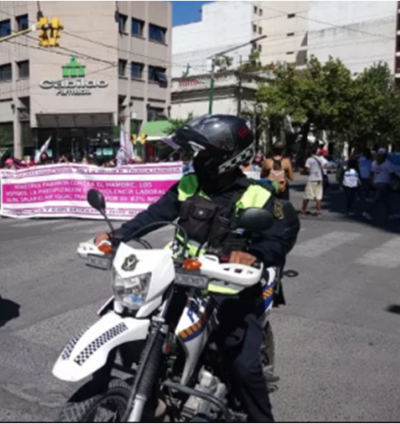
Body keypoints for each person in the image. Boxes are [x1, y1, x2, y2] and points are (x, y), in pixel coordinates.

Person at [93, 115, 289, 422]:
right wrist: (117, 236)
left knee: (243, 365)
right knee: (144, 327)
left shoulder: (259, 195)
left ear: (225, 157)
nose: (194, 159)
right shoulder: (188, 185)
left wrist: (252, 253)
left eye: (201, 153)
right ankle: (150, 394)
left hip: (231, 290)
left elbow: (278, 238)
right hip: (181, 280)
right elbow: (153, 215)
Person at [363, 148, 400, 221]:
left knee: (386, 200)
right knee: (377, 199)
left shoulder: (374, 163)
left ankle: (391, 214)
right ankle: (367, 212)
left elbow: (372, 173)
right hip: (384, 183)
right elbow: (392, 173)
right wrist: (396, 179)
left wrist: (371, 181)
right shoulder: (387, 163)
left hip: (377, 182)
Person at [301, 148, 325, 217]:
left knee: (307, 196)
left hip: (312, 179)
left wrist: (304, 171)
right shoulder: (320, 159)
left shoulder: (309, 159)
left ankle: (303, 210)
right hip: (319, 179)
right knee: (318, 196)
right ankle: (318, 212)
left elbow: (308, 169)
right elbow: (322, 167)